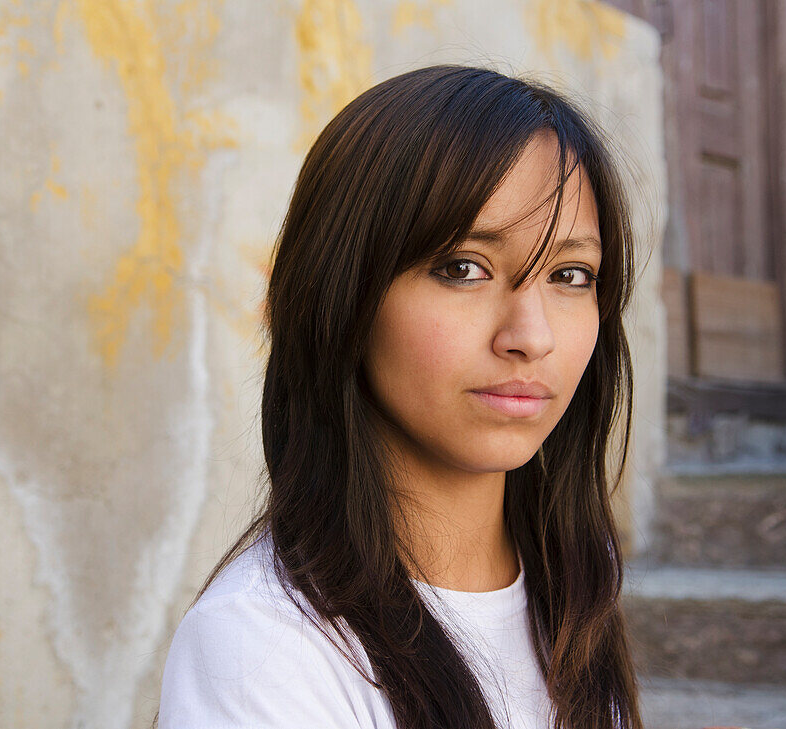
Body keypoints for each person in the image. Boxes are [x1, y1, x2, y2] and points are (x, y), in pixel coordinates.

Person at [158, 64, 642, 729]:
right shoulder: (265, 648)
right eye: (463, 267)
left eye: (570, 273)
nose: (531, 337)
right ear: (341, 293)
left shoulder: (570, 589)